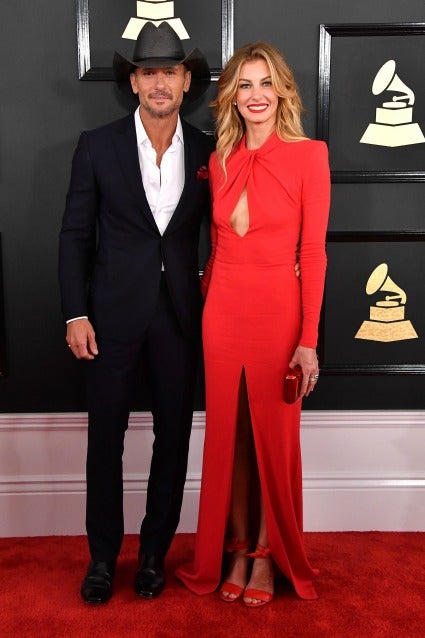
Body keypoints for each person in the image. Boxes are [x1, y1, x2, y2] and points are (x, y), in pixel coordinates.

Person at [58, 21, 213, 604]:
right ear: (133, 81)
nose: (159, 83)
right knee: (106, 439)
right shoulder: (97, 145)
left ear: (186, 80)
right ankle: (102, 558)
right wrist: (75, 313)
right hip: (110, 317)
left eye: (169, 72)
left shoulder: (208, 150)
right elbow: (75, 236)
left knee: (173, 438)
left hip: (181, 317)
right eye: (149, 72)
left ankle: (153, 555)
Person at [176, 41, 330, 607]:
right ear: (232, 97)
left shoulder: (310, 156)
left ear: (283, 91)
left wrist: (308, 341)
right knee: (231, 436)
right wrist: (201, 306)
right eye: (245, 84)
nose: (256, 94)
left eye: (267, 83)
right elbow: (216, 247)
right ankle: (237, 549)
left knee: (272, 437)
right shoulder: (220, 160)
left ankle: (267, 553)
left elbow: (312, 254)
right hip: (222, 311)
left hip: (277, 311)